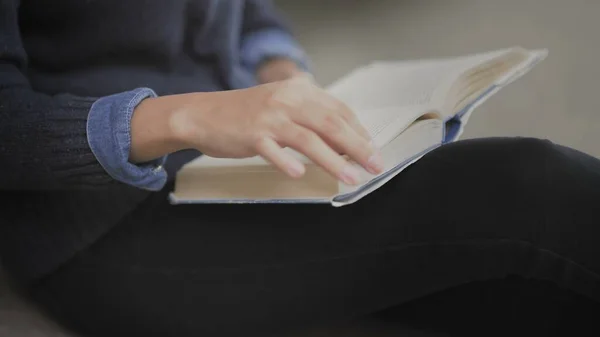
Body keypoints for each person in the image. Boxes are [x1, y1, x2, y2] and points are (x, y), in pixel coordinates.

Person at [0, 0, 599, 336]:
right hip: (102, 230)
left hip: (253, 160)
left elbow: (250, 13)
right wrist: (186, 117)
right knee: (524, 189)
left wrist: (282, 72)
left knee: (536, 290)